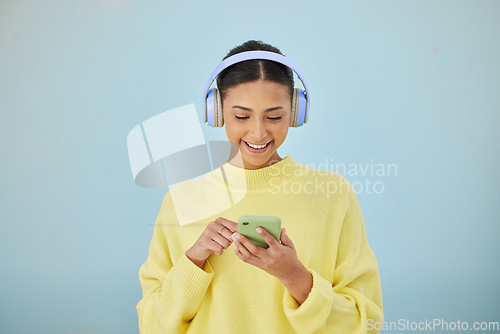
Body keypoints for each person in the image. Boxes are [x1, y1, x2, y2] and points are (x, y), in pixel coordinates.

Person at [136, 40, 384, 333]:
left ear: (295, 112)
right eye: (241, 116)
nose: (258, 131)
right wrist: (194, 259)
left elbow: (366, 324)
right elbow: (153, 325)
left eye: (274, 116)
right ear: (216, 112)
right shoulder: (182, 199)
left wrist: (295, 276)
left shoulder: (333, 194)